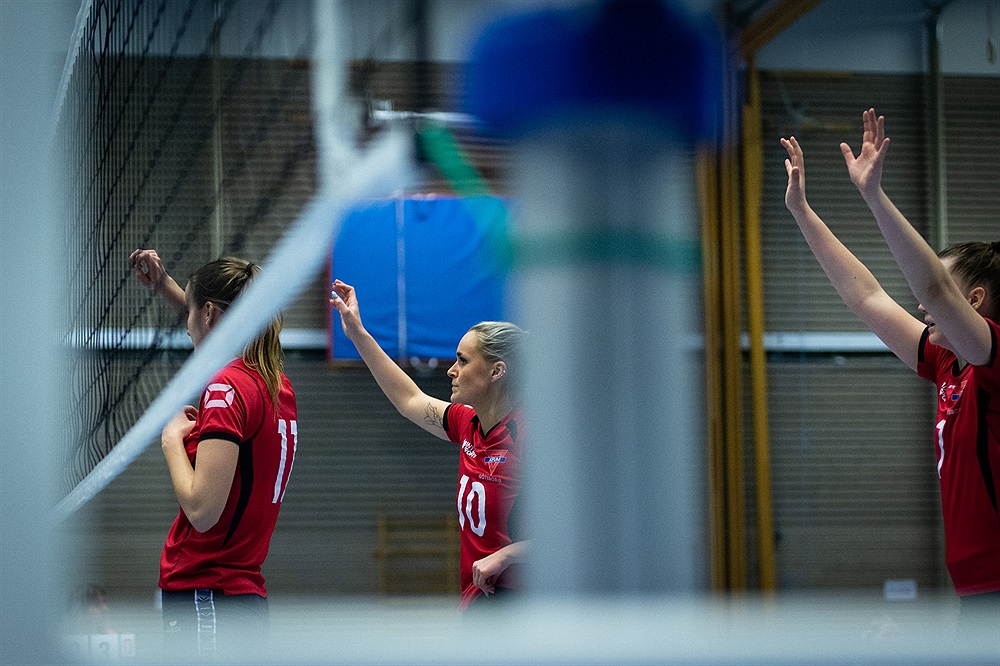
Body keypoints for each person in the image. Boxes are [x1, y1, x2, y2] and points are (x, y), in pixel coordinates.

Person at [781, 109, 1000, 612]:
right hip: (976, 588)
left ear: (975, 301)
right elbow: (868, 298)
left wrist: (873, 195)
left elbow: (933, 288)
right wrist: (803, 212)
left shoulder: (993, 361)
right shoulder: (950, 365)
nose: (923, 307)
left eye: (946, 293)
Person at [129, 249, 299, 657]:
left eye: (192, 314)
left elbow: (203, 512)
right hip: (235, 595)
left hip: (206, 590)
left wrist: (171, 442)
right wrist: (166, 285)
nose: (187, 330)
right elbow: (218, 332)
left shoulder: (226, 389)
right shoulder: (275, 384)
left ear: (209, 314)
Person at [330, 279, 527, 611]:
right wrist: (358, 336)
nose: (451, 370)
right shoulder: (468, 423)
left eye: (463, 361)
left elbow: (582, 534)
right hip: (478, 602)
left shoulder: (532, 437)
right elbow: (410, 398)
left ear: (497, 371)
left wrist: (507, 555)